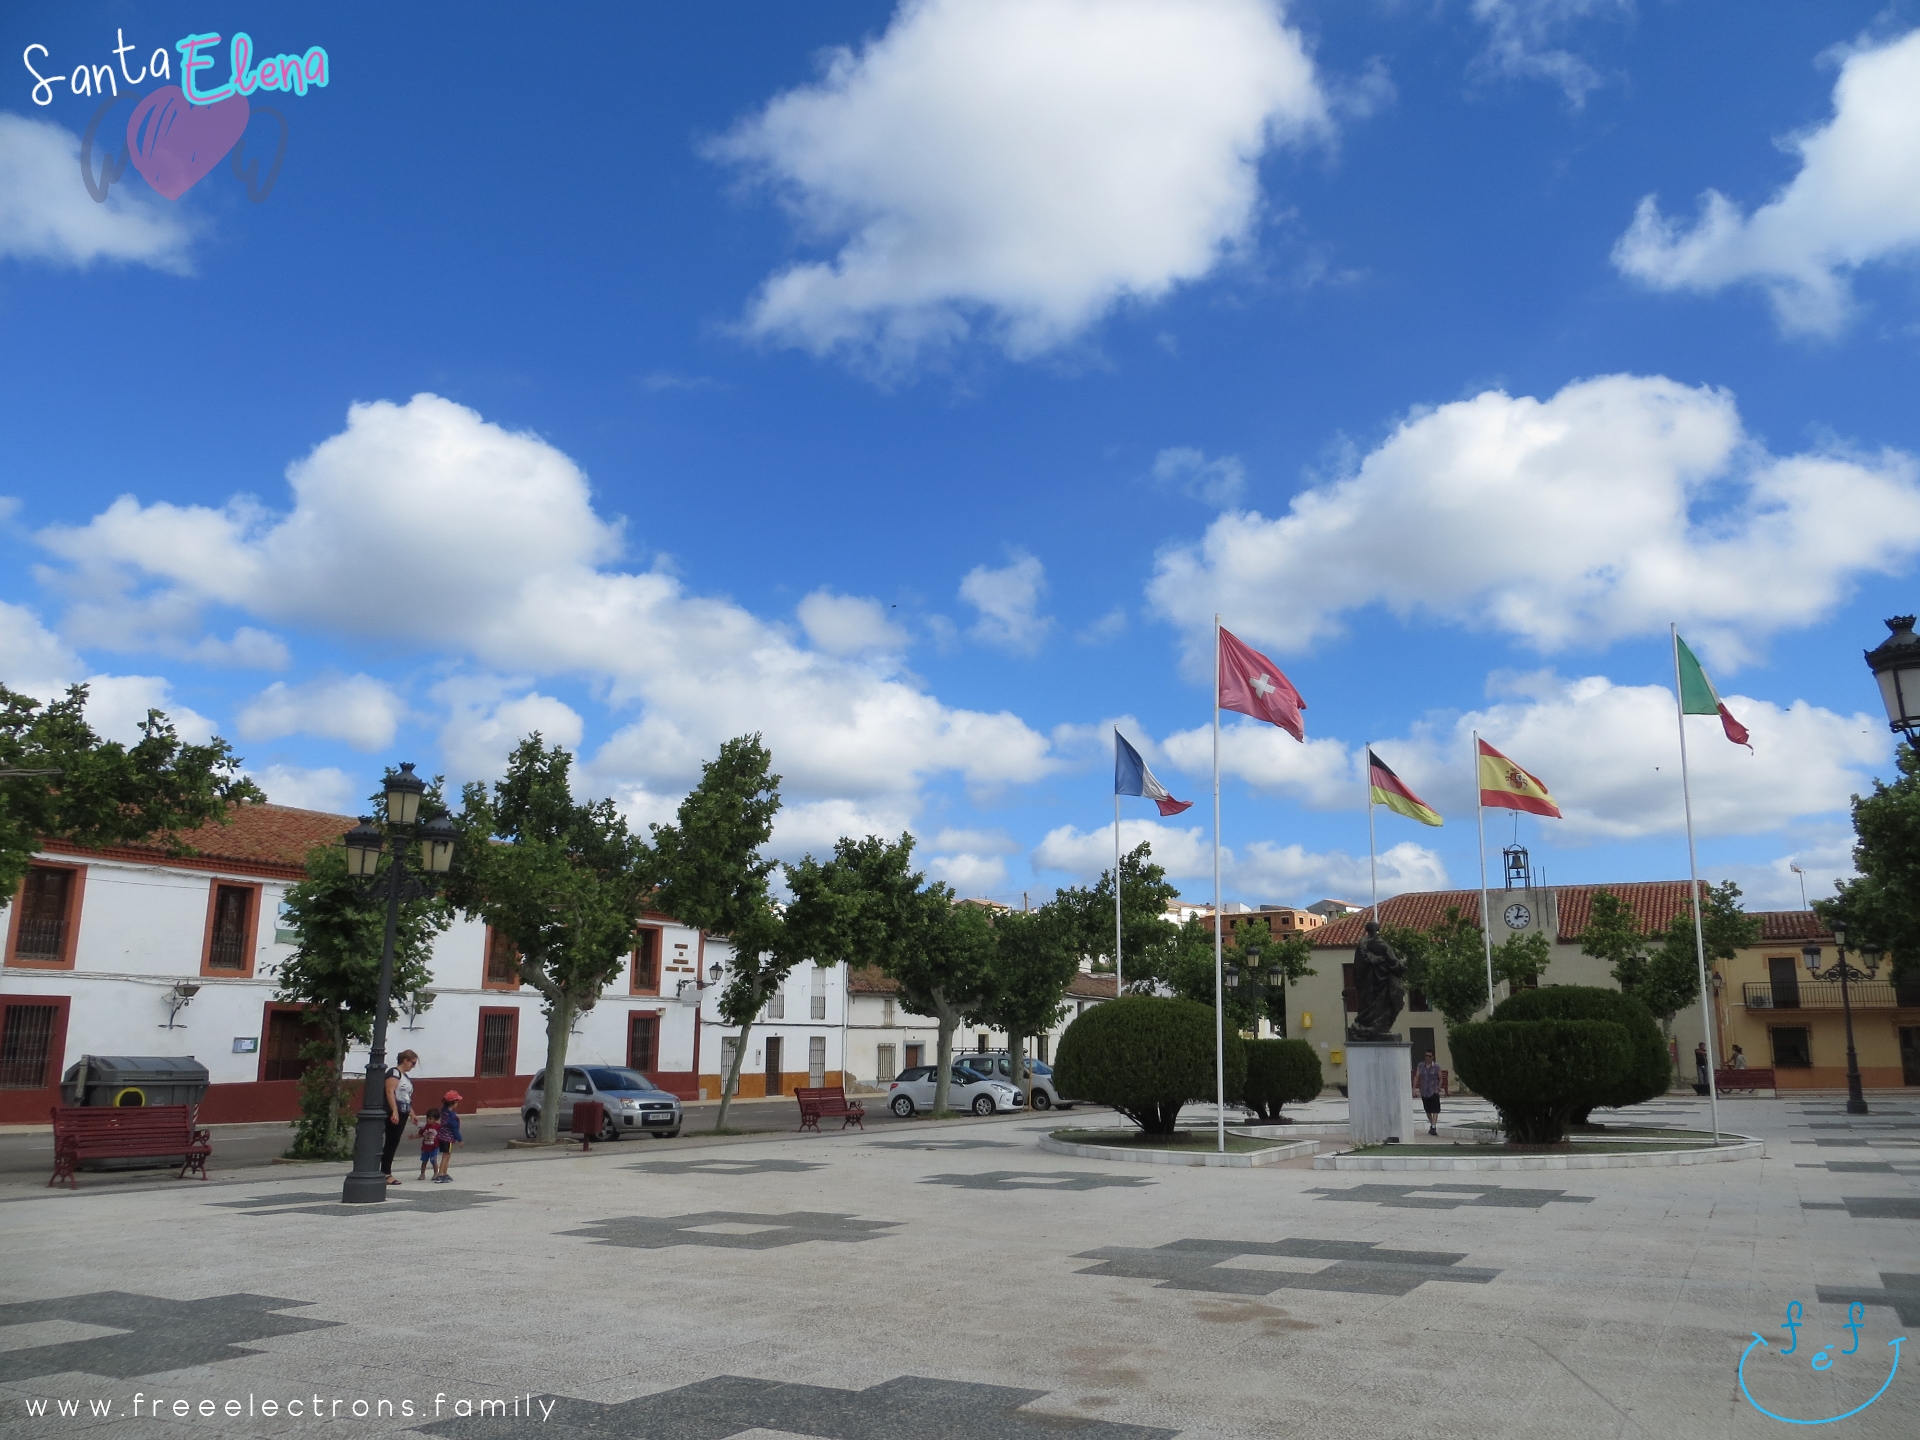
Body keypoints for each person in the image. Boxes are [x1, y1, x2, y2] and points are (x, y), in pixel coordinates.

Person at [380, 1050, 418, 1185]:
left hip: (403, 1111)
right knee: (391, 1141)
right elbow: (390, 1091)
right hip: (394, 1111)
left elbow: (406, 1097)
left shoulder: (405, 1077)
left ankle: (385, 1170)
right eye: (412, 1063)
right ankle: (385, 1172)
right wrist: (394, 1110)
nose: (413, 1066)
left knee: (394, 1141)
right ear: (405, 1060)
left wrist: (411, 1113)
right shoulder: (394, 1073)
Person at [435, 1090, 464, 1183]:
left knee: (446, 1155)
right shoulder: (452, 1116)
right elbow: (454, 1129)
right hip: (448, 1138)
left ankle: (444, 1173)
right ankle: (441, 1175)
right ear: (454, 1102)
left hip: (442, 1136)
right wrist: (460, 1139)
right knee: (446, 1156)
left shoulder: (444, 1112)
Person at [1415, 1050, 1443, 1137]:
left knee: (1435, 1109)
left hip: (1433, 1090)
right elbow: (1417, 1077)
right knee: (1427, 1109)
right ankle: (1432, 1124)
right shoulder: (1420, 1066)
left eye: (1429, 1056)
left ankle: (1434, 1126)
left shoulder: (1437, 1066)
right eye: (1426, 1056)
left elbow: (1440, 1078)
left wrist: (1438, 1088)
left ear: (1433, 1057)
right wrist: (1414, 1089)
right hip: (1424, 1090)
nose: (1427, 1057)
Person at [415, 1107, 442, 1182]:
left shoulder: (438, 1127)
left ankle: (436, 1173)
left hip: (434, 1148)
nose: (428, 1120)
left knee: (434, 1161)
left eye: (430, 1118)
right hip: (425, 1148)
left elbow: (442, 1134)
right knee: (424, 1161)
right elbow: (420, 1134)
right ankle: (422, 1174)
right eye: (427, 1118)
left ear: (435, 1119)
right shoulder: (424, 1126)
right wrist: (414, 1137)